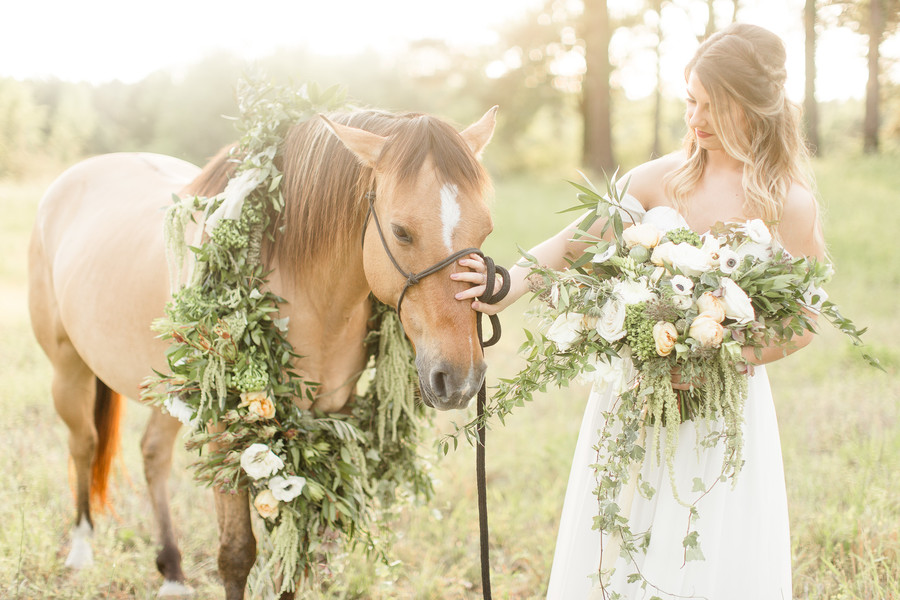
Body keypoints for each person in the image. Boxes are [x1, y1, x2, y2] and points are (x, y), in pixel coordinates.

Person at [451, 23, 824, 599]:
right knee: (620, 537)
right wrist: (503, 285)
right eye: (689, 100)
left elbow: (802, 322)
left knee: (704, 541)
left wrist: (718, 358)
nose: (694, 118)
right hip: (632, 402)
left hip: (721, 411)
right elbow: (571, 247)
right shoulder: (655, 180)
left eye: (711, 105)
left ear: (753, 107)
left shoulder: (788, 205)